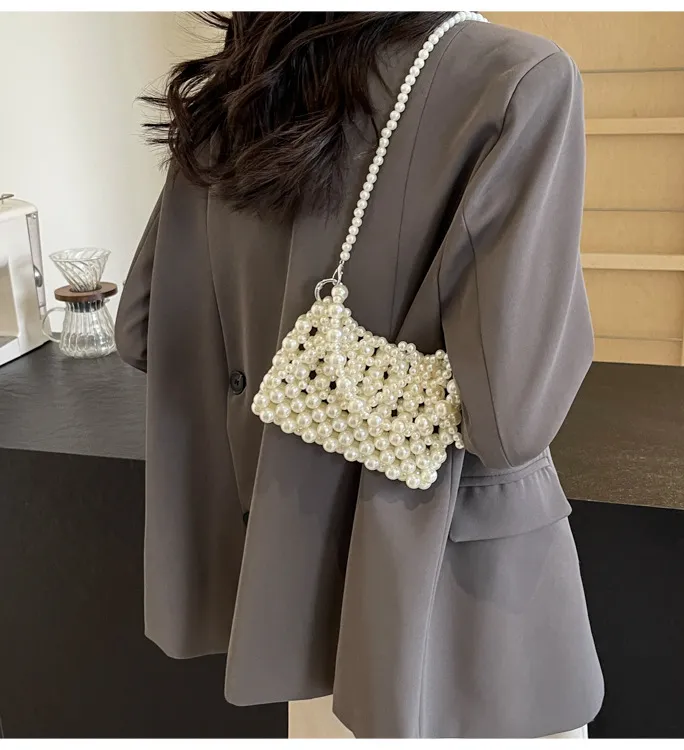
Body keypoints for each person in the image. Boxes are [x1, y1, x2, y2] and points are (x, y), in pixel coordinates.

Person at [115, 11, 603, 739]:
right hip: (462, 620)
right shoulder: (517, 77)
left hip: (294, 606)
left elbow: (142, 329)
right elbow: (510, 421)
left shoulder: (242, 87)